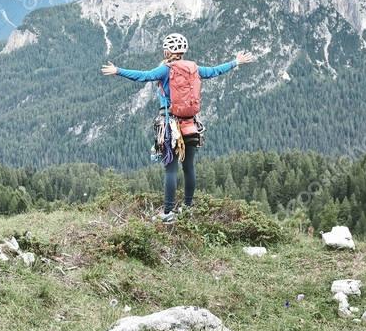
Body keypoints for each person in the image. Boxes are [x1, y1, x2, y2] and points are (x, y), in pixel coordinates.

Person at [101, 33, 255, 223]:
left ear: (167, 51)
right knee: (189, 167)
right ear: (183, 51)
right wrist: (235, 62)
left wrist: (118, 70)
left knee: (171, 170)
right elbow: (215, 71)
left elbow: (144, 76)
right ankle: (188, 208)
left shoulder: (165, 69)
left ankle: (167, 213)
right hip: (191, 124)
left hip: (170, 126)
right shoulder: (194, 69)